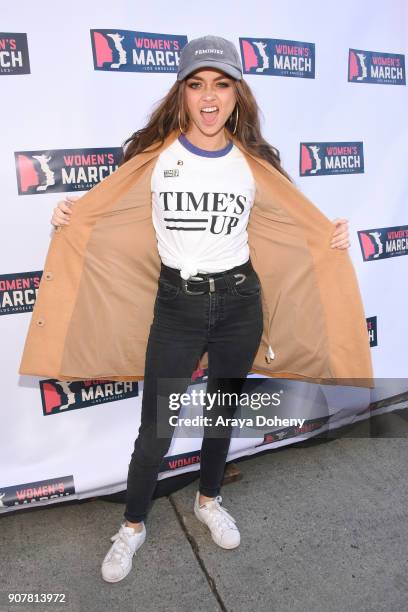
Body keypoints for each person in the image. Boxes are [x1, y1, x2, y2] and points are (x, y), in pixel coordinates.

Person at [50, 35, 351, 583]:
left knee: (222, 414)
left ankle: (208, 499)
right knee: (156, 430)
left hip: (240, 301)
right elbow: (107, 216)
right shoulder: (152, 158)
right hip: (177, 306)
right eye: (197, 85)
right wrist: (72, 215)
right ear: (182, 93)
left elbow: (292, 225)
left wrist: (329, 237)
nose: (209, 97)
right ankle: (133, 527)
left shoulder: (255, 164)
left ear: (238, 94)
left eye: (221, 84)